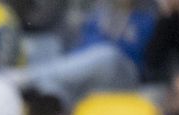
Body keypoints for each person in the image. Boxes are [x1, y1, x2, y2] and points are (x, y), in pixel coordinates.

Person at [10, 0, 152, 103]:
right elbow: (80, 48)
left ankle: (27, 77)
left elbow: (148, 59)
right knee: (50, 79)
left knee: (106, 53)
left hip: (123, 73)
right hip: (91, 73)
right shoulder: (99, 13)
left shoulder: (146, 18)